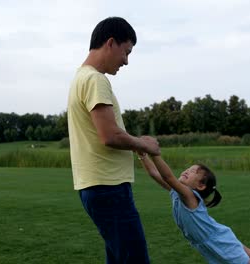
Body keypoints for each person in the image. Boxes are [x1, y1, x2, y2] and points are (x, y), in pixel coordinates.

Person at [67, 17, 160, 264]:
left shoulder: (81, 78)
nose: (126, 61)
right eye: (126, 52)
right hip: (108, 188)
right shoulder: (95, 80)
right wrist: (145, 144)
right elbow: (110, 135)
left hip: (99, 188)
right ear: (110, 43)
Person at [136, 149, 250, 264]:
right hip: (214, 238)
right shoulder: (176, 192)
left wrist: (155, 154)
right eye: (188, 169)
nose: (187, 171)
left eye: (193, 172)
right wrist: (142, 154)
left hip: (217, 240)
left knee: (249, 260)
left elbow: (168, 176)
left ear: (201, 186)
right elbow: (155, 174)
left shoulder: (189, 196)